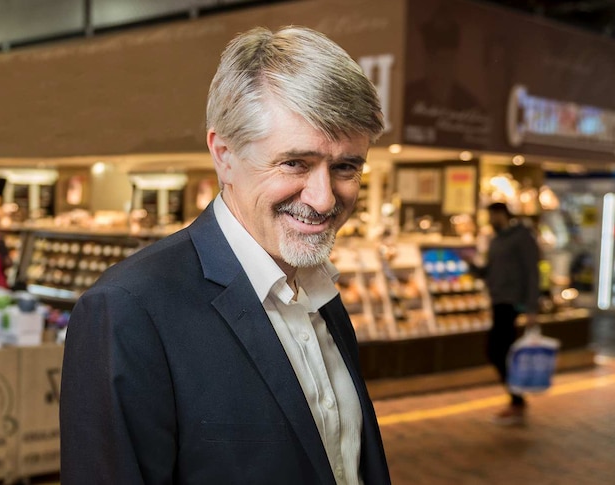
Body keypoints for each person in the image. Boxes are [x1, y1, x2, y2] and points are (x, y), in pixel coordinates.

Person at [60, 26, 390, 484]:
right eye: (295, 163)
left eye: (346, 167)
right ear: (224, 154)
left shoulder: (320, 294)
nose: (323, 198)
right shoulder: (129, 308)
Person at [469, 202, 540, 425]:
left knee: (497, 350)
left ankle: (517, 401)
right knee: (499, 351)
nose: (490, 220)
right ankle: (516, 401)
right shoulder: (496, 239)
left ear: (503, 214)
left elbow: (532, 272)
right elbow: (490, 271)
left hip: (512, 302)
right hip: (498, 300)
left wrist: (531, 308)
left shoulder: (522, 237)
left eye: (493, 215)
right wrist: (472, 266)